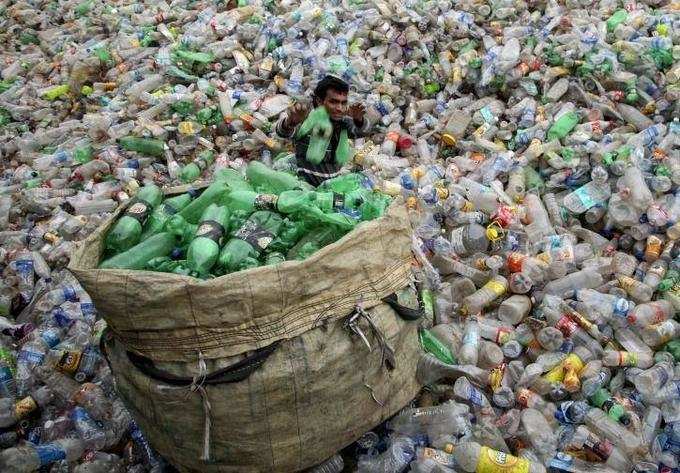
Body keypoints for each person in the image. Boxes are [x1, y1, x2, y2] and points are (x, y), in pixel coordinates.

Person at [276, 75, 370, 186]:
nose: (339, 108)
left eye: (343, 103)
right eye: (333, 102)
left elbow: (362, 132)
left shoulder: (343, 123)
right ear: (319, 101)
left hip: (330, 187)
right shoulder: (307, 120)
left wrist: (359, 120)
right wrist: (290, 122)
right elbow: (282, 132)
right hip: (303, 187)